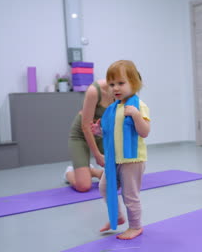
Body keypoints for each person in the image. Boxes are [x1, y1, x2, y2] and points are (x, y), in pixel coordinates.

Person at [91, 60, 150, 240]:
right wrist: (99, 131)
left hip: (132, 160)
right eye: (112, 84)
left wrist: (136, 115)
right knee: (104, 187)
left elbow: (145, 132)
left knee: (130, 195)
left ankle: (136, 226)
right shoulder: (111, 109)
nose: (115, 88)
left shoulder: (138, 106)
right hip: (114, 159)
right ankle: (117, 216)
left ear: (134, 83)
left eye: (121, 83)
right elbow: (111, 133)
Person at [64, 78, 115, 192]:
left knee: (118, 179)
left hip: (101, 133)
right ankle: (69, 172)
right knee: (84, 186)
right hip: (81, 135)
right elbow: (86, 127)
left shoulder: (122, 93)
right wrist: (97, 155)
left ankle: (92, 171)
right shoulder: (94, 90)